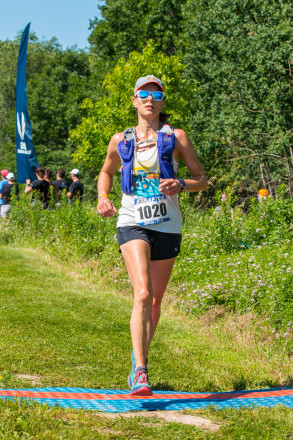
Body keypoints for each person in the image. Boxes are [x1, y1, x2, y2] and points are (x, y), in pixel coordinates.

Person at [97, 75, 208, 396]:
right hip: (132, 220)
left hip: (167, 223)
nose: (149, 99)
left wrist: (182, 184)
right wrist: (103, 196)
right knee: (142, 294)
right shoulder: (121, 139)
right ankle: (141, 372)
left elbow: (201, 178)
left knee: (156, 300)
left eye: (155, 95)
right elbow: (105, 171)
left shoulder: (177, 137)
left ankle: (138, 353)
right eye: (143, 94)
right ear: (134, 100)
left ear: (161, 102)